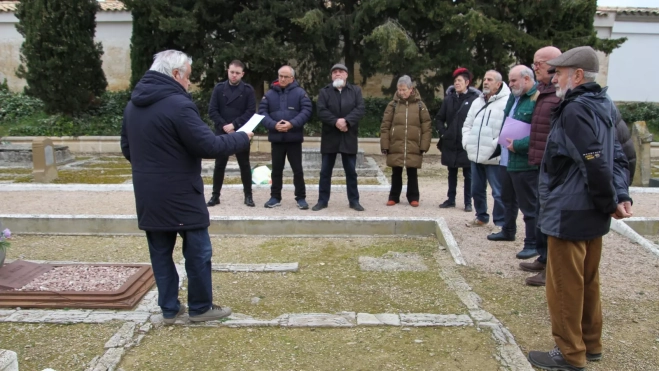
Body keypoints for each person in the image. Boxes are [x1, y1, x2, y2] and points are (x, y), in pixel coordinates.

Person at [120, 50, 253, 324]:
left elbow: (127, 148)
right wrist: (242, 137)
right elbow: (210, 145)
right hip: (181, 193)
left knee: (160, 252)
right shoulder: (178, 105)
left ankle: (169, 309)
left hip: (148, 193)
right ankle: (200, 307)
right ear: (176, 75)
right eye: (188, 77)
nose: (189, 84)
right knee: (198, 251)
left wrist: (153, 167)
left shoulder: (132, 105)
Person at [527, 46, 633, 371]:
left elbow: (595, 162)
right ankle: (591, 343)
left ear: (576, 75)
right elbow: (619, 154)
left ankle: (570, 353)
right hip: (590, 211)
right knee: (588, 280)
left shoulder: (574, 110)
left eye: (559, 72)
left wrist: (611, 200)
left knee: (563, 285)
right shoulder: (603, 105)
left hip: (569, 212)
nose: (553, 77)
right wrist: (619, 195)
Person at [519, 46, 562, 286]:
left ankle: (551, 268)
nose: (535, 67)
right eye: (534, 63)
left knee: (550, 217)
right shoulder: (544, 91)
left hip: (553, 165)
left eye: (539, 63)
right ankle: (544, 258)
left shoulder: (559, 93)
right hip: (539, 162)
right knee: (540, 214)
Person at [488, 65, 540, 261]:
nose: (510, 85)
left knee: (528, 205)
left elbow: (539, 133)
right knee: (506, 198)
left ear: (526, 79)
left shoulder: (537, 99)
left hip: (524, 160)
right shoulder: (514, 97)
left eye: (513, 81)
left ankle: (532, 243)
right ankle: (508, 230)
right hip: (506, 158)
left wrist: (519, 145)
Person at [312, 63, 366, 212]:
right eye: (334, 72)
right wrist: (336, 122)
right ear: (331, 76)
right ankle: (322, 201)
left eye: (341, 72)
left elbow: (360, 109)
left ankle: (354, 201)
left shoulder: (355, 91)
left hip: (348, 136)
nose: (337, 74)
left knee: (351, 172)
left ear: (346, 75)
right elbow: (321, 111)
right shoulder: (325, 92)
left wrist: (346, 121)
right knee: (325, 172)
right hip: (330, 137)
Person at [258, 65, 312, 209]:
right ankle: (275, 197)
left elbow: (306, 111)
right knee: (276, 170)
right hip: (276, 138)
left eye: (285, 77)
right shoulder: (269, 94)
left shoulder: (300, 93)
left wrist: (291, 124)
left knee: (297, 170)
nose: (282, 79)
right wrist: (273, 125)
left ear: (292, 78)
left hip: (293, 138)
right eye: (280, 76)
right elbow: (262, 112)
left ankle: (301, 198)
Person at [461, 70, 510, 227]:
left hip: (494, 155)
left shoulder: (507, 102)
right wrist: (467, 143)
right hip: (475, 153)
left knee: (498, 192)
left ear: (499, 84)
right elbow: (467, 124)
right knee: (476, 189)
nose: (486, 82)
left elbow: (508, 128)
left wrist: (494, 145)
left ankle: (500, 222)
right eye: (484, 79)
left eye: (490, 79)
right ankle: (481, 216)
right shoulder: (477, 101)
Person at [207, 60, 256, 208]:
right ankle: (215, 196)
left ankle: (248, 195)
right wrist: (225, 126)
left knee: (244, 165)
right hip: (222, 132)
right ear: (227, 71)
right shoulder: (218, 88)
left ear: (242, 74)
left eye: (237, 73)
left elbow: (250, 111)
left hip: (240, 131)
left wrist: (234, 125)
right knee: (219, 165)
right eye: (231, 72)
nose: (234, 75)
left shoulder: (248, 90)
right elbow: (212, 111)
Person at [380, 75, 432, 207]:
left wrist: (424, 145)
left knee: (412, 172)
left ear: (411, 89)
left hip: (413, 144)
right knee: (395, 172)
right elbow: (385, 125)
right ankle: (394, 196)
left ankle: (413, 197)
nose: (401, 92)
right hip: (396, 144)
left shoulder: (420, 105)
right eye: (399, 90)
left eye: (404, 89)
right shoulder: (392, 105)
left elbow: (426, 126)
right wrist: (385, 144)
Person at [435, 67, 480, 212]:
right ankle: (451, 199)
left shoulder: (474, 100)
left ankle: (468, 202)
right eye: (455, 81)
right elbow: (439, 119)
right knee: (451, 172)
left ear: (467, 82)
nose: (457, 83)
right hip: (450, 141)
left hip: (466, 143)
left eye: (459, 80)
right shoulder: (448, 99)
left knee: (468, 174)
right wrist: (443, 133)